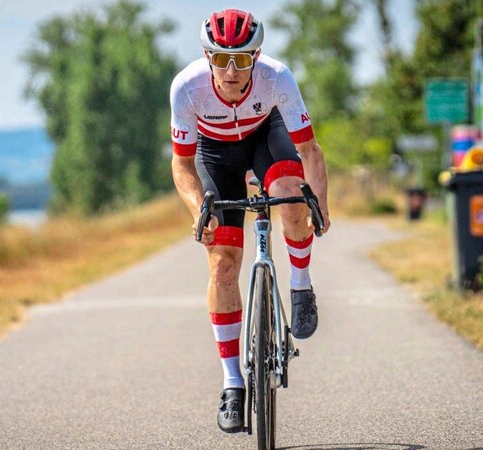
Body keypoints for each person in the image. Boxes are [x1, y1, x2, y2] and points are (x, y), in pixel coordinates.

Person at [169, 9, 331, 433]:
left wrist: (321, 204)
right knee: (223, 264)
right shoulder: (187, 88)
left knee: (292, 197)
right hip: (216, 156)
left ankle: (300, 287)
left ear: (257, 57)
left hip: (265, 137)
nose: (232, 70)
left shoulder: (277, 78)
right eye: (222, 59)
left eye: (242, 59)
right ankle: (232, 384)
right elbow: (182, 165)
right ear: (208, 58)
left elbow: (310, 151)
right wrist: (195, 210)